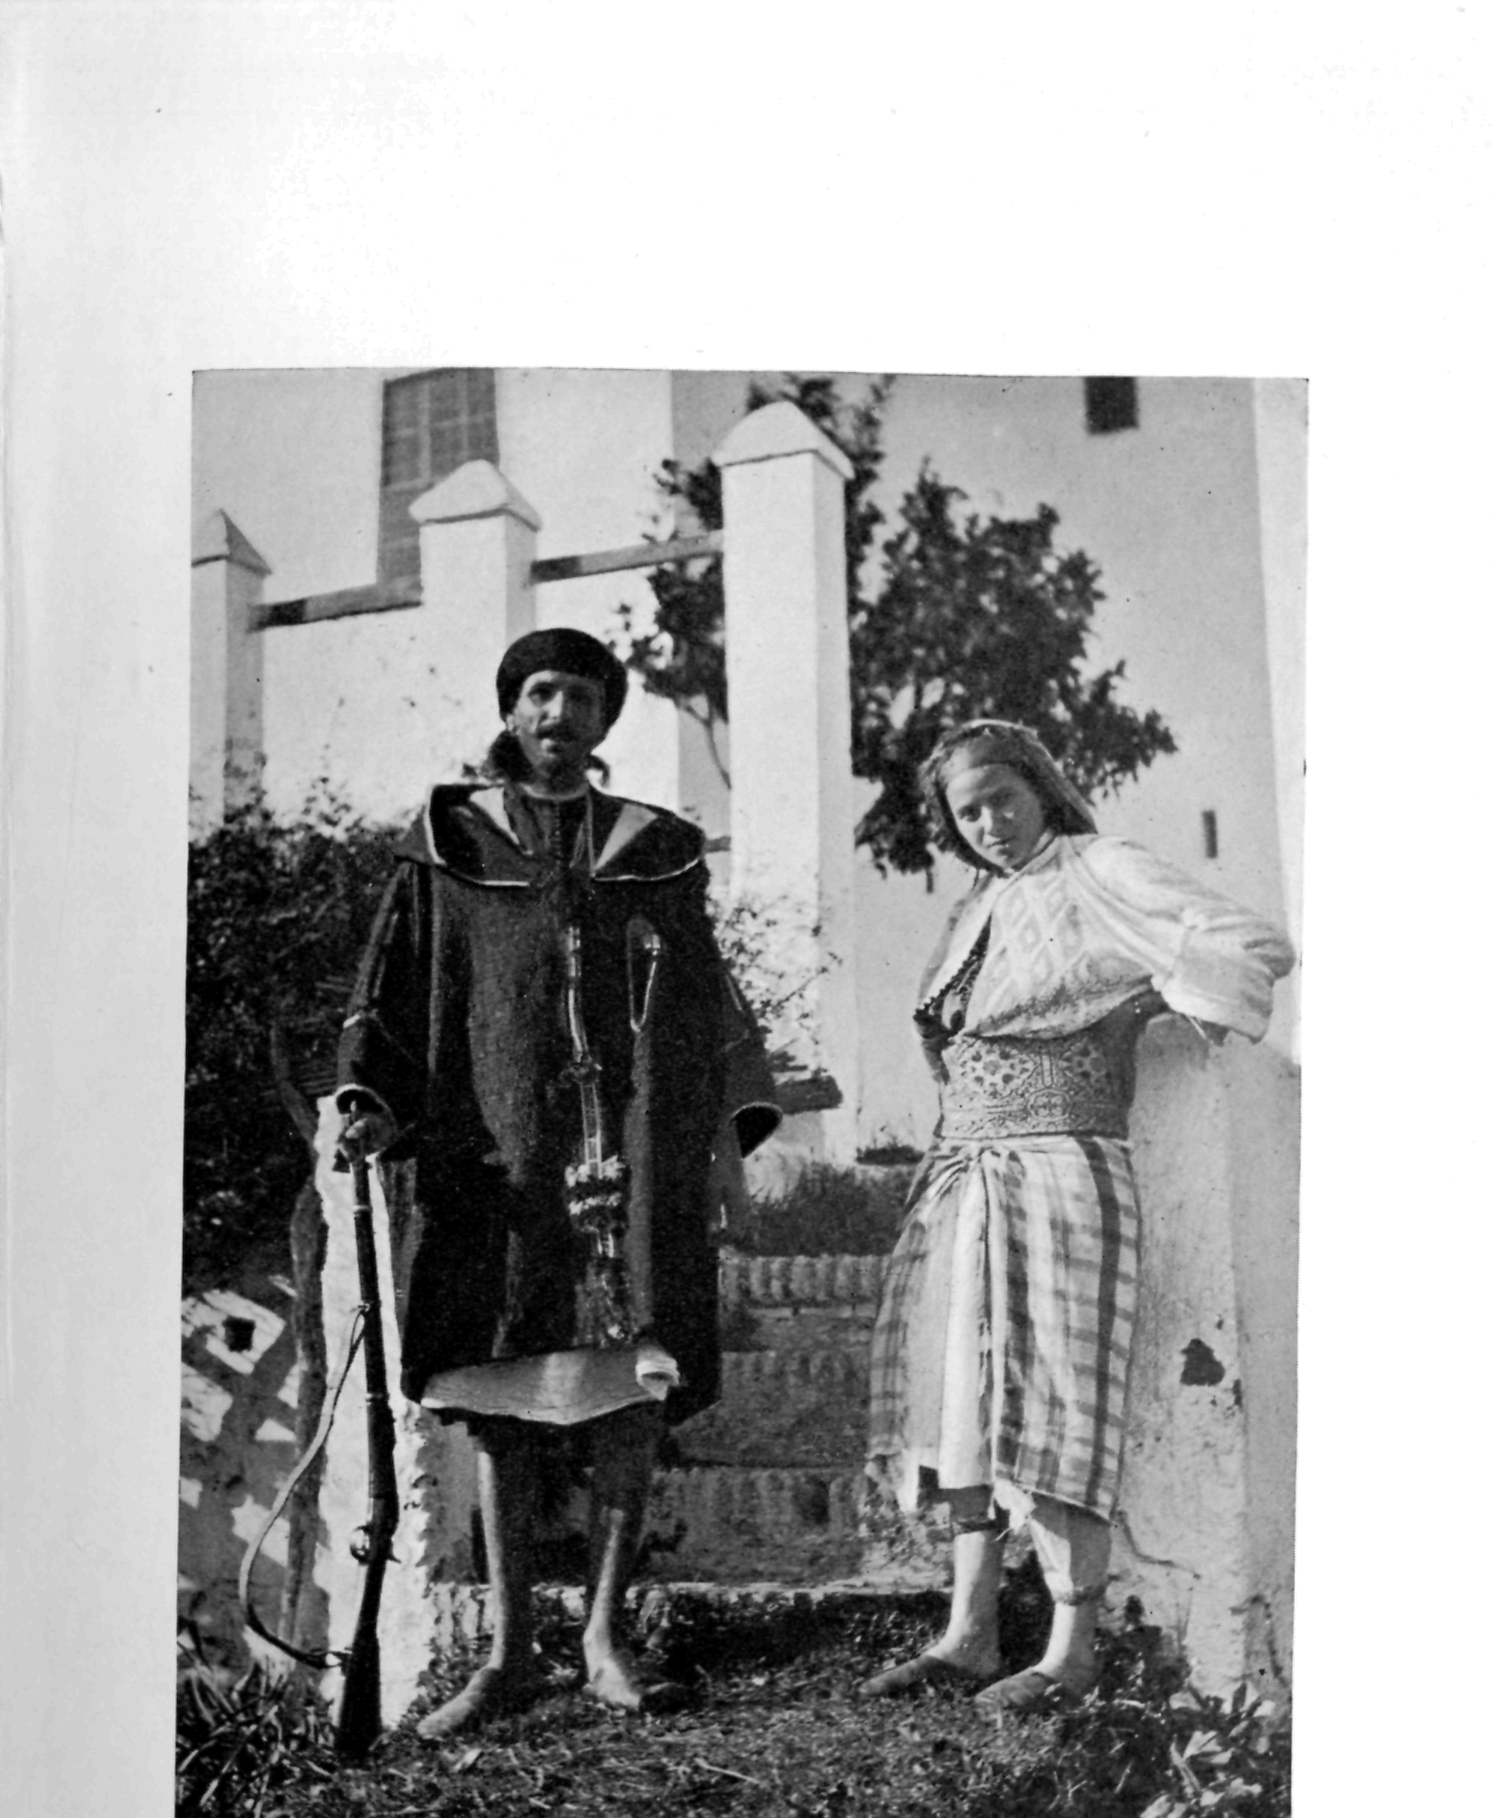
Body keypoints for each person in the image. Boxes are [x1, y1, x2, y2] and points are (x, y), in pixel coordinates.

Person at [336, 628, 778, 1734]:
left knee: (631, 1391)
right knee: (503, 1393)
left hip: (635, 1154)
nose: (559, 716)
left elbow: (706, 1005)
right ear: (511, 707)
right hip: (501, 1156)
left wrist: (722, 1149)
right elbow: (396, 985)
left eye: (583, 699)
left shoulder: (655, 851)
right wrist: (367, 1095)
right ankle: (508, 1653)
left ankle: (603, 1640)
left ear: (605, 720)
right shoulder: (448, 846)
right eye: (541, 693)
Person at [864, 719, 1295, 1719]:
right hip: (967, 1174)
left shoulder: (1099, 866)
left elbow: (1255, 942)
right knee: (960, 1403)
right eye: (968, 813)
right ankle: (969, 1633)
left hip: (1063, 1165)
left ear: (1043, 791)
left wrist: (1140, 1006)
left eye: (1004, 801)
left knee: (1058, 1395)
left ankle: (1071, 1651)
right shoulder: (978, 904)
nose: (989, 825)